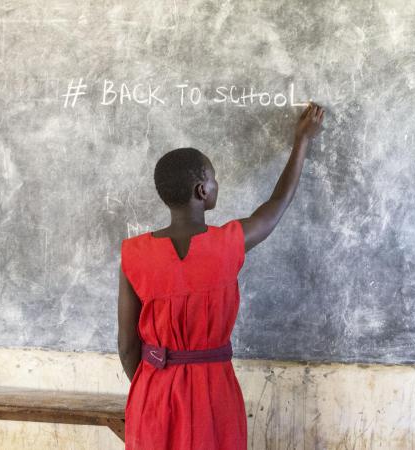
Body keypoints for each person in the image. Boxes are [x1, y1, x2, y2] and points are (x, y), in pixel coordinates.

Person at [118, 102, 325, 449]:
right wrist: (302, 141)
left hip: (153, 392)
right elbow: (276, 206)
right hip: (214, 392)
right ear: (202, 190)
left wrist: (155, 387)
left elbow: (127, 346)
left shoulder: (134, 254)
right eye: (213, 178)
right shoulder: (228, 243)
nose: (217, 184)